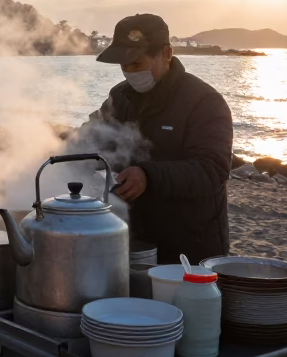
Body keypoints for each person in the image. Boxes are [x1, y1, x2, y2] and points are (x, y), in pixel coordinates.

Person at [94, 14, 233, 265]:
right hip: (134, 236)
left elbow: (213, 169)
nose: (129, 72)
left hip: (191, 245)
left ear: (166, 53)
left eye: (136, 63)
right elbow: (97, 134)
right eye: (123, 65)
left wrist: (148, 176)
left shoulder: (204, 101)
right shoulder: (120, 96)